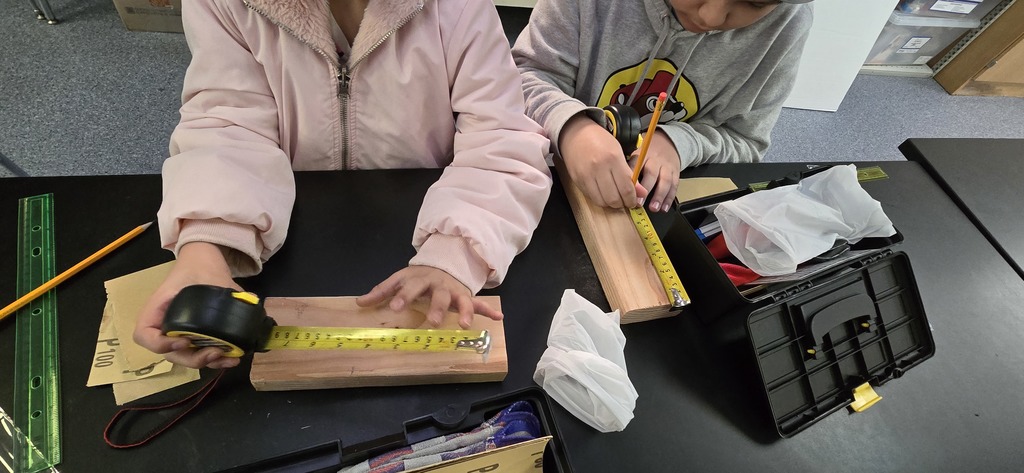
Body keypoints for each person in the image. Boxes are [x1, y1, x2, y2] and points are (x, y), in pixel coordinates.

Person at [133, 0, 552, 370]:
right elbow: (228, 123)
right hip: (288, 239)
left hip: (429, 226)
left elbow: (500, 138)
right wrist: (206, 247)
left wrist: (455, 254)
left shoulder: (459, 8)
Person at [513, 0, 813, 213]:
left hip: (664, 198)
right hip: (541, 178)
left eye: (755, 2)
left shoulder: (788, 22)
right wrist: (572, 128)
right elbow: (522, 78)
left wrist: (680, 142)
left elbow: (746, 140)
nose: (710, 17)